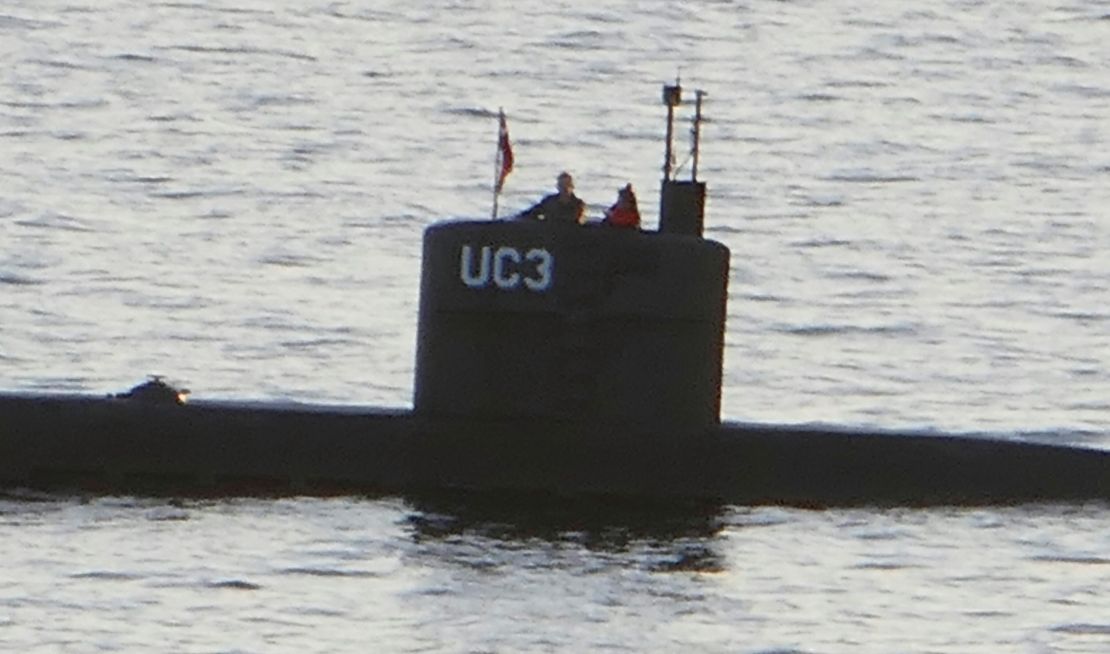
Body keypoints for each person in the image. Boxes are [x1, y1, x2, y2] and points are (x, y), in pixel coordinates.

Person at [516, 171, 586, 225]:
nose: (565, 188)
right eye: (562, 185)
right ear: (558, 187)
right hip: (549, 234)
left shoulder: (578, 204)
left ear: (572, 186)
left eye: (567, 185)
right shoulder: (550, 201)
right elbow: (532, 213)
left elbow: (575, 221)